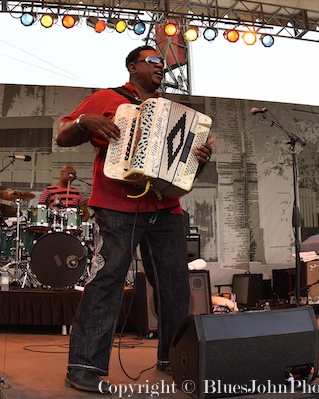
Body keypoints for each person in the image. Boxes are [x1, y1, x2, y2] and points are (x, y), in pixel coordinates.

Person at [56, 45, 214, 392]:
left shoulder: (177, 112)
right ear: (132, 67)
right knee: (107, 281)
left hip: (166, 208)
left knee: (174, 286)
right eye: (153, 61)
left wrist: (200, 157)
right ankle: (83, 366)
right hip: (116, 205)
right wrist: (85, 121)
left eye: (163, 64)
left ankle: (173, 358)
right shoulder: (107, 97)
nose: (160, 67)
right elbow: (62, 134)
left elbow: (184, 168)